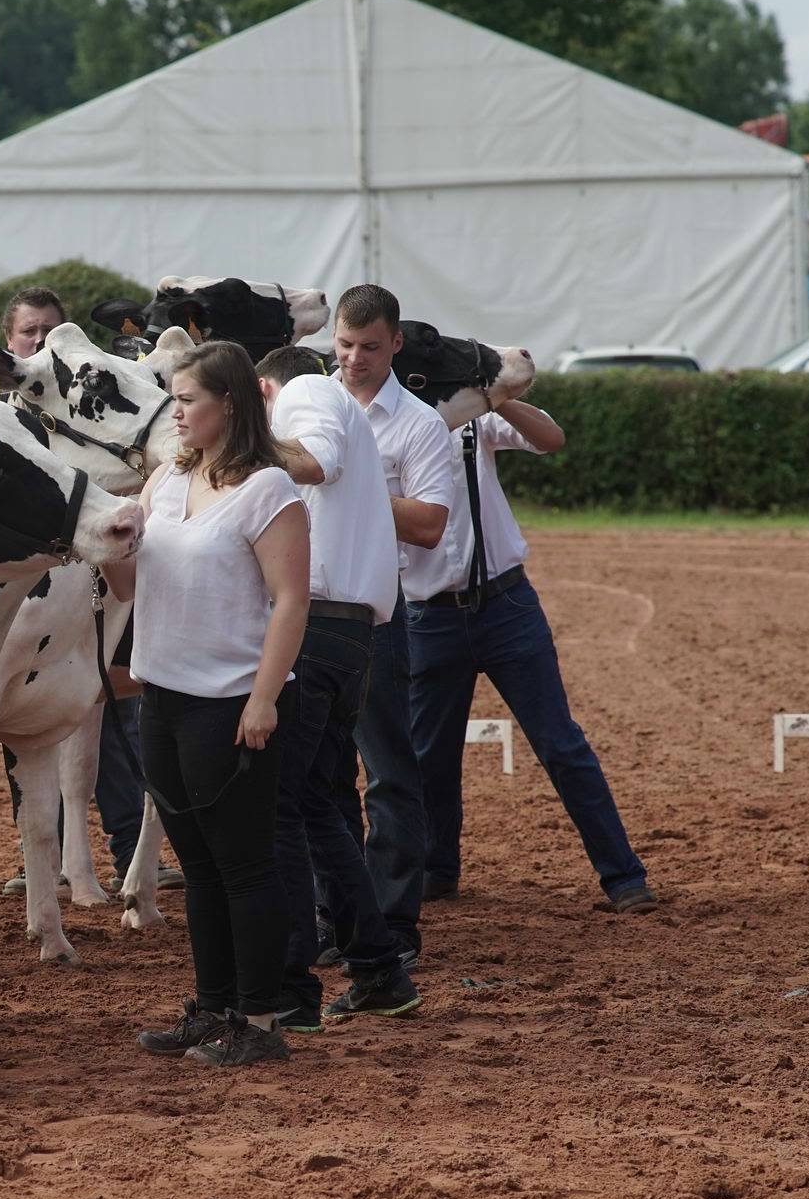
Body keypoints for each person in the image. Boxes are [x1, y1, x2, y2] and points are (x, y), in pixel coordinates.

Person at [101, 340, 310, 1066]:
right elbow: (131, 587)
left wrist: (263, 698)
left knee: (243, 863)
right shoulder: (165, 479)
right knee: (197, 862)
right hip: (161, 695)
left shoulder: (269, 489)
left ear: (230, 402)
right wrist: (112, 546)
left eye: (188, 399)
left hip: (230, 701)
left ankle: (262, 1021)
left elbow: (291, 601)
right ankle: (215, 1006)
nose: (177, 412)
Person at [405, 397, 658, 915]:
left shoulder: (471, 410)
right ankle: (437, 869)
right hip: (428, 615)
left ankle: (624, 876)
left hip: (506, 604)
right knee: (429, 756)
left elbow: (550, 438)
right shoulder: (379, 424)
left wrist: (494, 391)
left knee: (561, 745)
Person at [252, 344, 421, 1030]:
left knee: (281, 807)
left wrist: (238, 442)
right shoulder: (328, 403)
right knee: (317, 805)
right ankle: (378, 969)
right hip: (347, 631)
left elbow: (317, 461)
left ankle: (292, 988)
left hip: (317, 627)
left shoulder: (304, 393)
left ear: (263, 388)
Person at [0, 286, 173, 896]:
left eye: (50, 331)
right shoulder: (0, 426)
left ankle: (123, 849)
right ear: (8, 344)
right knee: (24, 718)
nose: (40, 341)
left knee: (109, 704)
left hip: (102, 580)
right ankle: (42, 859)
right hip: (31, 590)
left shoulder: (91, 411)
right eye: (29, 333)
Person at [333, 284, 463, 960]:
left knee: (387, 771)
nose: (354, 359)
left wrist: (352, 487)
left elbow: (431, 524)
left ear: (397, 344)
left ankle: (393, 923)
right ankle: (335, 917)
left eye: (370, 347)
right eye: (344, 344)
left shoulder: (419, 424)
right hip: (306, 610)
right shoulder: (309, 405)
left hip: (379, 611)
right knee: (320, 775)